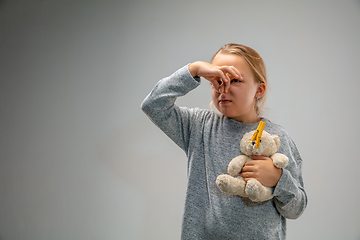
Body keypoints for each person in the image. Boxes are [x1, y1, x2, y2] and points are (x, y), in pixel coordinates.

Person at [141, 43, 307, 240]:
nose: (223, 88)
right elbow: (153, 105)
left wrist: (279, 179)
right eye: (216, 80)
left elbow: (295, 209)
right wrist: (194, 70)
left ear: (259, 90)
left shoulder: (277, 138)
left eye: (235, 80)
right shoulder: (198, 127)